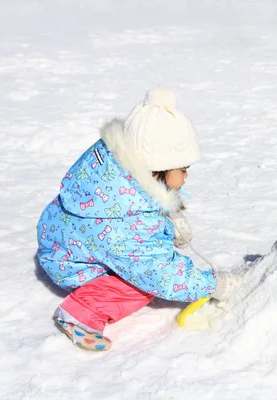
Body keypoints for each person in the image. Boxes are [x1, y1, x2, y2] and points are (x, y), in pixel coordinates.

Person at [36, 88, 240, 351]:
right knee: (140, 285)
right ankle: (81, 314)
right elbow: (161, 275)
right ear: (157, 169)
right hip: (72, 264)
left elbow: (141, 198)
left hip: (61, 236)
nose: (186, 177)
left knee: (136, 263)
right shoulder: (128, 227)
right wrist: (213, 284)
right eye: (183, 169)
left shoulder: (114, 170)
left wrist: (170, 216)